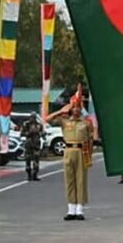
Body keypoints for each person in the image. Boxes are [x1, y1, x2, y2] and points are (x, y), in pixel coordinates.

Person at [45, 84, 96, 221]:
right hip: (68, 151)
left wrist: (89, 155)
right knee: (69, 180)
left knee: (80, 180)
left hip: (81, 151)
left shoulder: (85, 123)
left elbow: (92, 136)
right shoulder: (64, 121)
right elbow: (47, 119)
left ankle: (79, 209)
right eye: (73, 107)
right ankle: (71, 209)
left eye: (77, 107)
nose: (75, 110)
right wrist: (61, 110)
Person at [21, 112, 43, 181]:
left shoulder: (39, 125)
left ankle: (35, 175)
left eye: (33, 117)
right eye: (31, 117)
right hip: (28, 144)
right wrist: (29, 133)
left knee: (36, 160)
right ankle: (29, 175)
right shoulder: (26, 124)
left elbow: (42, 133)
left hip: (36, 144)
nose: (32, 119)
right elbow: (22, 133)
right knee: (28, 159)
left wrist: (39, 133)